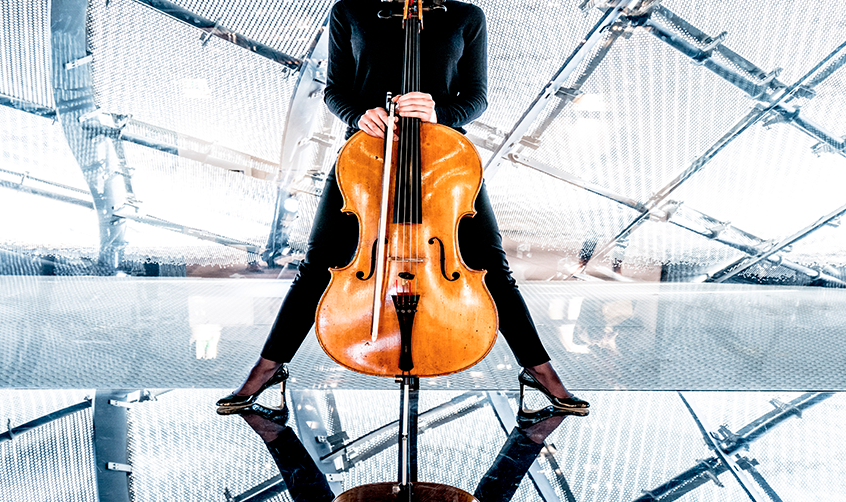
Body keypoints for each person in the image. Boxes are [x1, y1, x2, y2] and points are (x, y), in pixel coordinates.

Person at [217, 0, 588, 417]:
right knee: (319, 262)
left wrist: (439, 111)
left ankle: (539, 373)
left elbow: (477, 97)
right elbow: (334, 91)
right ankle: (267, 369)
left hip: (444, 158)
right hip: (366, 157)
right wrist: (360, 115)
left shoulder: (465, 15)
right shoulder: (350, 10)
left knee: (490, 263)